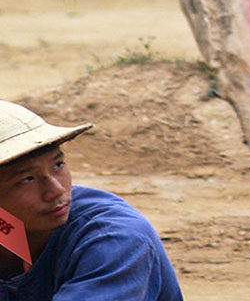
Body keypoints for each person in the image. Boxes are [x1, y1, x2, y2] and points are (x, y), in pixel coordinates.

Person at [0, 100, 183, 300]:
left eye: (58, 165)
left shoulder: (114, 237)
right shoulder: (8, 228)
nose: (56, 191)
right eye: (28, 179)